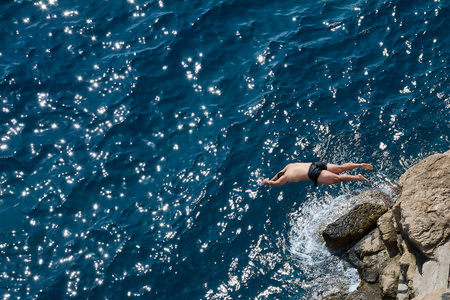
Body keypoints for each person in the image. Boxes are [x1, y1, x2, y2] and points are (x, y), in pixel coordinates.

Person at [261, 162, 373, 187]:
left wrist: (267, 181)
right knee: (340, 168)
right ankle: (360, 165)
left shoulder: (284, 178)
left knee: (337, 179)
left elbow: (275, 183)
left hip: (312, 173)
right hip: (315, 164)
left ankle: (358, 177)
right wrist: (271, 177)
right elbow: (277, 174)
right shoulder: (288, 166)